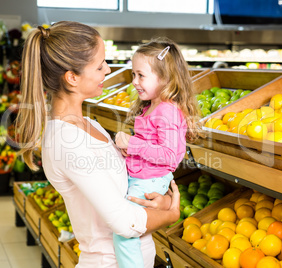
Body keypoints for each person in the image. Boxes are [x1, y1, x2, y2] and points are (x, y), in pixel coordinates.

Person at [15, 21, 180, 268]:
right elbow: (124, 223)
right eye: (100, 65)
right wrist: (171, 213)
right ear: (72, 77)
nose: (107, 69)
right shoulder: (66, 142)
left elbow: (130, 189)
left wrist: (163, 200)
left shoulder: (90, 125)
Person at [113, 37, 199, 268]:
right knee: (133, 233)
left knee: (126, 232)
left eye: (141, 75)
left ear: (165, 78)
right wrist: (129, 152)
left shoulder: (167, 110)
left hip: (149, 182)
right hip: (144, 178)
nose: (134, 82)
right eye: (133, 75)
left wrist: (132, 145)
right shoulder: (153, 106)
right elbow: (151, 146)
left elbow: (170, 156)